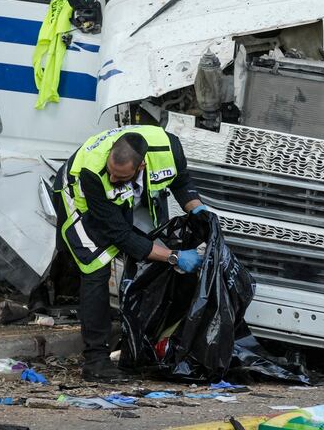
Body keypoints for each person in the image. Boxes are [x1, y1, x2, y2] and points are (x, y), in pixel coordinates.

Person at [55, 125, 209, 381]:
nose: (113, 179)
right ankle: (95, 361)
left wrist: (198, 209)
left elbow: (181, 181)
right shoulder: (93, 172)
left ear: (141, 168)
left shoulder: (169, 149)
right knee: (95, 266)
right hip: (77, 199)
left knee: (151, 256)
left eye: (120, 176)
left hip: (122, 201)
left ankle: (144, 347)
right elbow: (120, 235)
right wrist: (174, 256)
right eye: (112, 173)